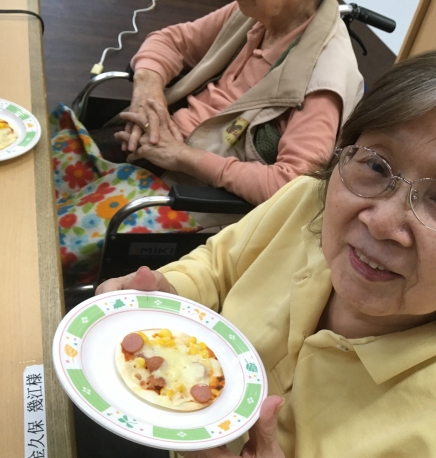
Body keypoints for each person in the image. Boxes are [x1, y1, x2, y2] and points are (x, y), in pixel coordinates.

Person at [96, 45, 436, 458]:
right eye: (377, 165)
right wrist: (171, 292)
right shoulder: (311, 201)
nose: (381, 222)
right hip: (159, 420)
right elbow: (219, 264)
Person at [52, 0, 363, 287]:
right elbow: (171, 40)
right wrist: (149, 93)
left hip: (192, 192)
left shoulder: (324, 77)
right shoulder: (253, 12)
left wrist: (183, 156)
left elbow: (295, 186)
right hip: (160, 144)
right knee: (47, 161)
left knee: (58, 239)